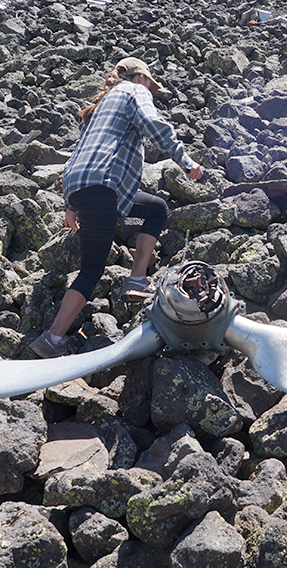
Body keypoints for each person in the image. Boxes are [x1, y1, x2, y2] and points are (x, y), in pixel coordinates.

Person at [30, 57, 203, 358]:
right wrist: (185, 161)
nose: (151, 88)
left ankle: (136, 279)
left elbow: (79, 152)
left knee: (156, 208)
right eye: (150, 82)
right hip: (103, 185)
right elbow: (155, 124)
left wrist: (71, 203)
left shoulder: (100, 106)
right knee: (91, 270)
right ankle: (52, 338)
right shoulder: (134, 91)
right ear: (140, 78)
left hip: (83, 185)